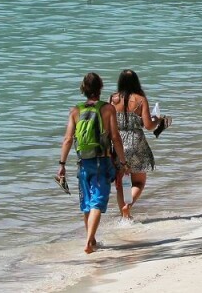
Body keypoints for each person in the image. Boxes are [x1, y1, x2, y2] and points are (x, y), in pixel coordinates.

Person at [57, 72, 128, 254]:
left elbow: (67, 139)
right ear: (100, 88)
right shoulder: (107, 109)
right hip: (101, 162)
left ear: (83, 89)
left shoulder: (75, 110)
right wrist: (123, 161)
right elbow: (115, 137)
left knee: (87, 202)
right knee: (97, 201)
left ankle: (93, 239)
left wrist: (62, 164)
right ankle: (89, 242)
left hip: (82, 163)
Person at [110, 69, 168, 219]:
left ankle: (124, 216)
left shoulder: (113, 99)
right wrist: (158, 119)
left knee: (121, 182)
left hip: (118, 143)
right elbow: (149, 126)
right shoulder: (141, 99)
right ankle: (127, 207)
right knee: (139, 182)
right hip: (136, 142)